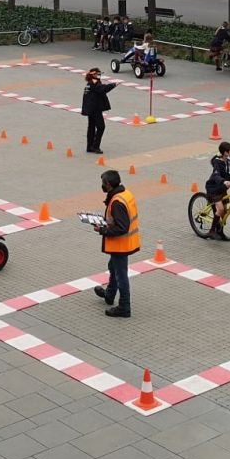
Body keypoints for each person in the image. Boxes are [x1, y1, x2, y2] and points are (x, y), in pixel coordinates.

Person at [93, 170, 140, 318]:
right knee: (112, 267)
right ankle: (109, 294)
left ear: (108, 184)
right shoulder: (124, 194)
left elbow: (121, 227)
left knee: (121, 275)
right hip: (124, 242)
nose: (101, 186)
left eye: (103, 183)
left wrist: (103, 229)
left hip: (120, 244)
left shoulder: (117, 202)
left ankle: (124, 307)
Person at [81, 67, 116, 154]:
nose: (99, 75)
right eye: (97, 74)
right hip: (95, 109)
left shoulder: (89, 84)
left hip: (90, 109)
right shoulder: (94, 83)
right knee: (101, 127)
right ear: (93, 75)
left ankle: (89, 146)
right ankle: (95, 146)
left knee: (91, 127)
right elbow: (102, 89)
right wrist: (113, 85)